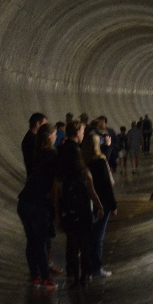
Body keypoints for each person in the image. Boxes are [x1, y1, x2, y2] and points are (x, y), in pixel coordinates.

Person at [55, 120, 104, 287]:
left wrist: (57, 212)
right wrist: (99, 205)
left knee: (71, 243)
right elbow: (89, 185)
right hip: (81, 206)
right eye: (82, 131)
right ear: (77, 133)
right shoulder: (77, 154)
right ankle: (84, 275)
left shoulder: (61, 151)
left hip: (67, 205)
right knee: (83, 243)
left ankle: (74, 276)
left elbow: (57, 183)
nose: (83, 134)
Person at [17, 123, 59, 291]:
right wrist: (56, 211)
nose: (56, 136)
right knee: (41, 243)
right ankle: (46, 279)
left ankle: (35, 276)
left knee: (31, 242)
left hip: (24, 202)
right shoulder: (53, 155)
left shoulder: (38, 154)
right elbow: (55, 185)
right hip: (38, 204)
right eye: (55, 134)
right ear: (50, 136)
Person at [82, 132, 117, 278]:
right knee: (98, 236)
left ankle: (87, 268)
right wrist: (113, 205)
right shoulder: (100, 162)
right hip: (102, 202)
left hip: (88, 202)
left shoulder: (83, 161)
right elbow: (106, 186)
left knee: (89, 235)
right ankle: (96, 268)